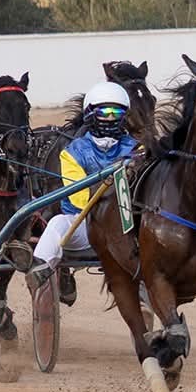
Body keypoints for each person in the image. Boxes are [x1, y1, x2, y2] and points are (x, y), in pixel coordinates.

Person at [28, 82, 138, 303]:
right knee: (57, 223)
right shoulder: (73, 152)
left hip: (126, 229)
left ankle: (145, 291)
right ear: (91, 115)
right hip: (84, 227)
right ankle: (40, 268)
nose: (110, 117)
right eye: (104, 112)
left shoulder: (136, 148)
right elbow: (78, 199)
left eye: (116, 112)